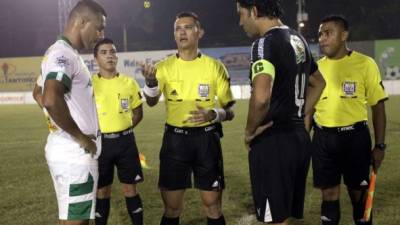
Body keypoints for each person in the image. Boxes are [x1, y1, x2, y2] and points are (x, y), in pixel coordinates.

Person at [236, 0, 326, 224]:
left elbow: (261, 98)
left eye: (241, 14)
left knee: (274, 220)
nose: (240, 22)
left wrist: (249, 131)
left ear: (254, 11)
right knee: (282, 216)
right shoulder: (298, 39)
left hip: (273, 142)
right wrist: (301, 115)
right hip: (298, 139)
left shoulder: (263, 43)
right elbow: (319, 82)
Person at [141, 11, 235, 225]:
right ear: (174, 35)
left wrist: (214, 114)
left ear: (199, 32)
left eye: (187, 27)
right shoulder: (163, 67)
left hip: (207, 140)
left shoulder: (214, 66)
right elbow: (152, 101)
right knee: (172, 208)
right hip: (175, 141)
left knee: (212, 206)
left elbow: (230, 110)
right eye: (177, 28)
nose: (182, 31)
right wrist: (151, 83)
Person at [311, 15, 388, 225]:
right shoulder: (315, 69)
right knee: (328, 197)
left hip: (355, 139)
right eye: (320, 34)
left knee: (359, 197)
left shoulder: (365, 64)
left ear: (344, 35)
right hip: (322, 139)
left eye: (328, 33)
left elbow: (378, 106)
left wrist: (380, 145)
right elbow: (307, 112)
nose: (322, 38)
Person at [35, 0, 106, 224]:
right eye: (98, 27)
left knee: (71, 218)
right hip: (75, 156)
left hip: (67, 151)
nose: (100, 35)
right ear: (81, 21)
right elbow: (49, 98)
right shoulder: (62, 54)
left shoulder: (58, 53)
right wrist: (80, 137)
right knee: (78, 221)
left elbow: (38, 90)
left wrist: (57, 123)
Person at [91, 38, 144, 225]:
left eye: (112, 52)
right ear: (96, 59)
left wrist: (124, 129)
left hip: (126, 143)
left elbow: (138, 112)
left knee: (130, 189)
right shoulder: (89, 85)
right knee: (102, 190)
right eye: (104, 53)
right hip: (101, 145)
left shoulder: (129, 82)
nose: (109, 56)